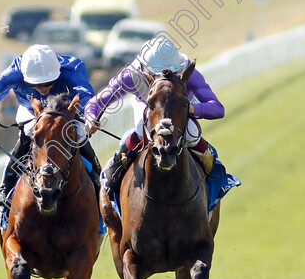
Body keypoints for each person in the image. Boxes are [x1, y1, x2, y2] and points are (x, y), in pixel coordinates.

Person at [0, 44, 102, 214]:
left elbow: (85, 94)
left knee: (80, 135)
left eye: (49, 83)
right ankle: (5, 191)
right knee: (28, 134)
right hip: (31, 111)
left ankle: (100, 184)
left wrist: (89, 114)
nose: (43, 89)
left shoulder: (72, 66)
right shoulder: (15, 71)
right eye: (36, 85)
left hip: (63, 112)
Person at [84, 35, 224, 196]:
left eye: (170, 74)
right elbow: (96, 103)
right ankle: (113, 172)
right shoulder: (131, 75)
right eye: (156, 76)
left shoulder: (187, 72)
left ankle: (215, 177)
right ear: (145, 69)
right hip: (147, 105)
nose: (162, 81)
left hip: (179, 108)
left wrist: (190, 109)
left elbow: (218, 109)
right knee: (139, 129)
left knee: (191, 133)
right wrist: (90, 119)